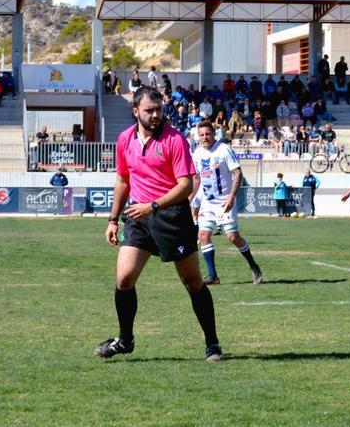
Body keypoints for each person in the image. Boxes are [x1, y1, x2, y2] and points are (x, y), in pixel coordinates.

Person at [95, 86, 221, 362]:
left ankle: (212, 343)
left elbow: (186, 185)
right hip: (138, 218)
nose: (155, 115)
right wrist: (113, 219)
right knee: (124, 278)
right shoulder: (125, 139)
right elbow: (123, 180)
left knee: (192, 282)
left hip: (171, 217)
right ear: (135, 111)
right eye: (149, 110)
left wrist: (153, 205)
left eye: (159, 109)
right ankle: (125, 340)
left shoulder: (174, 140)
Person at [191, 121, 263, 286]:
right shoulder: (197, 153)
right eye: (202, 135)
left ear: (214, 134)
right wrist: (190, 198)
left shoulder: (224, 150)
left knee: (232, 237)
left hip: (225, 201)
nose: (205, 137)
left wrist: (231, 197)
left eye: (208, 134)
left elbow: (237, 173)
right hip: (208, 203)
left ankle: (254, 266)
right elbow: (196, 178)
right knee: (203, 236)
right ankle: (213, 276)